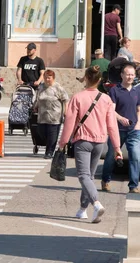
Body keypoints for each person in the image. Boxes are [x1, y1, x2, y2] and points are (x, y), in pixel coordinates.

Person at [58, 65, 122, 223]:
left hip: (83, 141)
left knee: (84, 176)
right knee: (90, 177)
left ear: (85, 78)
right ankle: (82, 210)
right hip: (100, 142)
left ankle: (96, 203)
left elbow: (69, 123)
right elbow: (112, 125)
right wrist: (116, 147)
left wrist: (62, 143)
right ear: (100, 80)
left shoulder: (77, 97)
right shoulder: (106, 99)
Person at [101, 62, 140, 193]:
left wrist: (138, 124)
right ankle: (105, 180)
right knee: (111, 156)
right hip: (117, 130)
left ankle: (133, 185)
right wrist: (120, 118)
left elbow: (138, 109)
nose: (130, 77)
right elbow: (111, 110)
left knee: (135, 156)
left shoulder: (137, 90)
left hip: (134, 130)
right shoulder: (115, 90)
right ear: (122, 75)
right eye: (127, 74)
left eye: (132, 75)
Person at [35, 70, 68, 159]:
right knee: (42, 133)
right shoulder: (41, 86)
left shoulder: (58, 87)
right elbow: (38, 98)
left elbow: (65, 99)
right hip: (42, 115)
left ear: (53, 78)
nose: (46, 79)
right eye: (45, 77)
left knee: (52, 135)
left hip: (55, 116)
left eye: (49, 78)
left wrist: (66, 110)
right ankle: (48, 148)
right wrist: (35, 106)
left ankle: (49, 152)